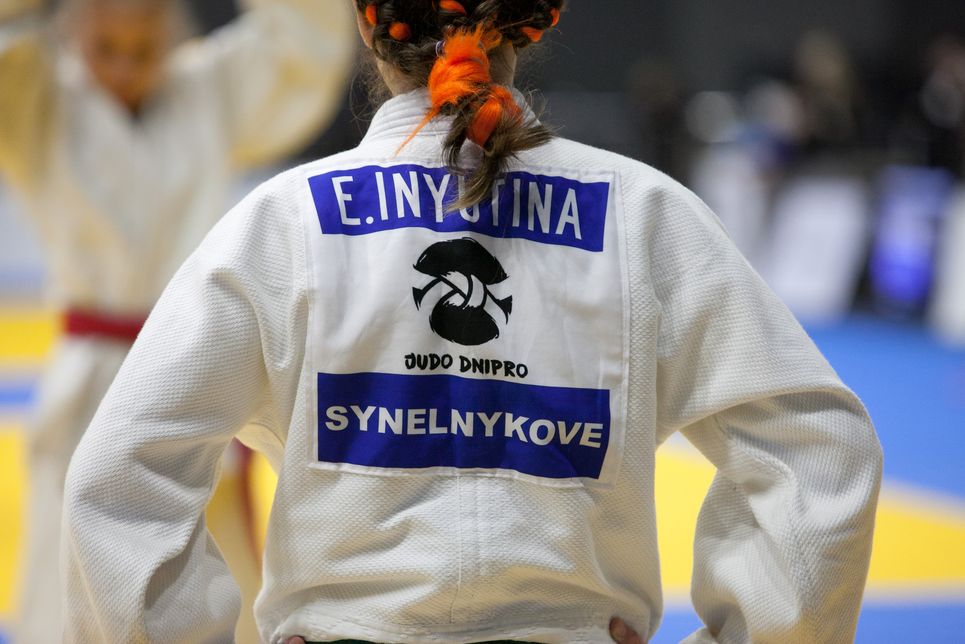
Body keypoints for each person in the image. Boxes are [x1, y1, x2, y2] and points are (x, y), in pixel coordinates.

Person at [61, 1, 884, 642]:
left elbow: (119, 478)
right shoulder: (643, 216)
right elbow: (821, 451)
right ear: (532, 22)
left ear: (365, 26)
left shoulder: (284, 223)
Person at [0, 0, 354, 639]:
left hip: (190, 363)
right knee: (66, 583)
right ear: (74, 32)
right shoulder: (37, 92)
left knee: (213, 565)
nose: (124, 68)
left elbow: (301, 49)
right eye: (106, 49)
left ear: (170, 36)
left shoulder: (206, 86)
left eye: (143, 50)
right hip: (88, 378)